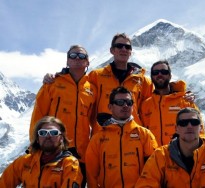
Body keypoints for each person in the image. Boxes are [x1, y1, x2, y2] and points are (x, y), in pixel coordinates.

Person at [43, 33, 194, 126]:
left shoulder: (143, 80)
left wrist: (180, 91)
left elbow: (157, 100)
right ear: (112, 50)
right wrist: (58, 75)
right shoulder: (96, 76)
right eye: (119, 46)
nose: (123, 49)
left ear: (130, 52)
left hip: (134, 136)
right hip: (103, 135)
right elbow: (76, 83)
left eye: (127, 47)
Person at [29, 45, 99, 187]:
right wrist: (35, 147)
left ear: (88, 62)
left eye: (82, 56)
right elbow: (38, 117)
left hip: (81, 154)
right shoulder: (52, 84)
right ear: (67, 61)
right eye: (73, 56)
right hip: (53, 150)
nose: (77, 59)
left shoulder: (92, 89)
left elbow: (94, 122)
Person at [135, 107, 205, 188]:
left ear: (201, 128)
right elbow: (146, 184)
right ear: (176, 129)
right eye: (183, 123)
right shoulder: (161, 155)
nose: (189, 126)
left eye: (194, 122)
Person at [85, 86, 158, 188]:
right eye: (120, 102)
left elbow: (153, 170)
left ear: (133, 106)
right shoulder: (98, 138)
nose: (125, 106)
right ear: (110, 107)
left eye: (129, 103)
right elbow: (91, 173)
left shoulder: (145, 135)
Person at [0, 116, 82, 187]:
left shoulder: (70, 164)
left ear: (61, 138)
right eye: (43, 133)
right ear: (37, 139)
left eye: (54, 133)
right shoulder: (24, 162)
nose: (48, 136)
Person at [140, 60, 205, 146]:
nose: (160, 74)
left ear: (170, 76)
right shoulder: (145, 105)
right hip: (155, 157)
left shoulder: (185, 101)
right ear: (151, 77)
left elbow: (200, 132)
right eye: (156, 72)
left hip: (181, 156)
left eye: (164, 72)